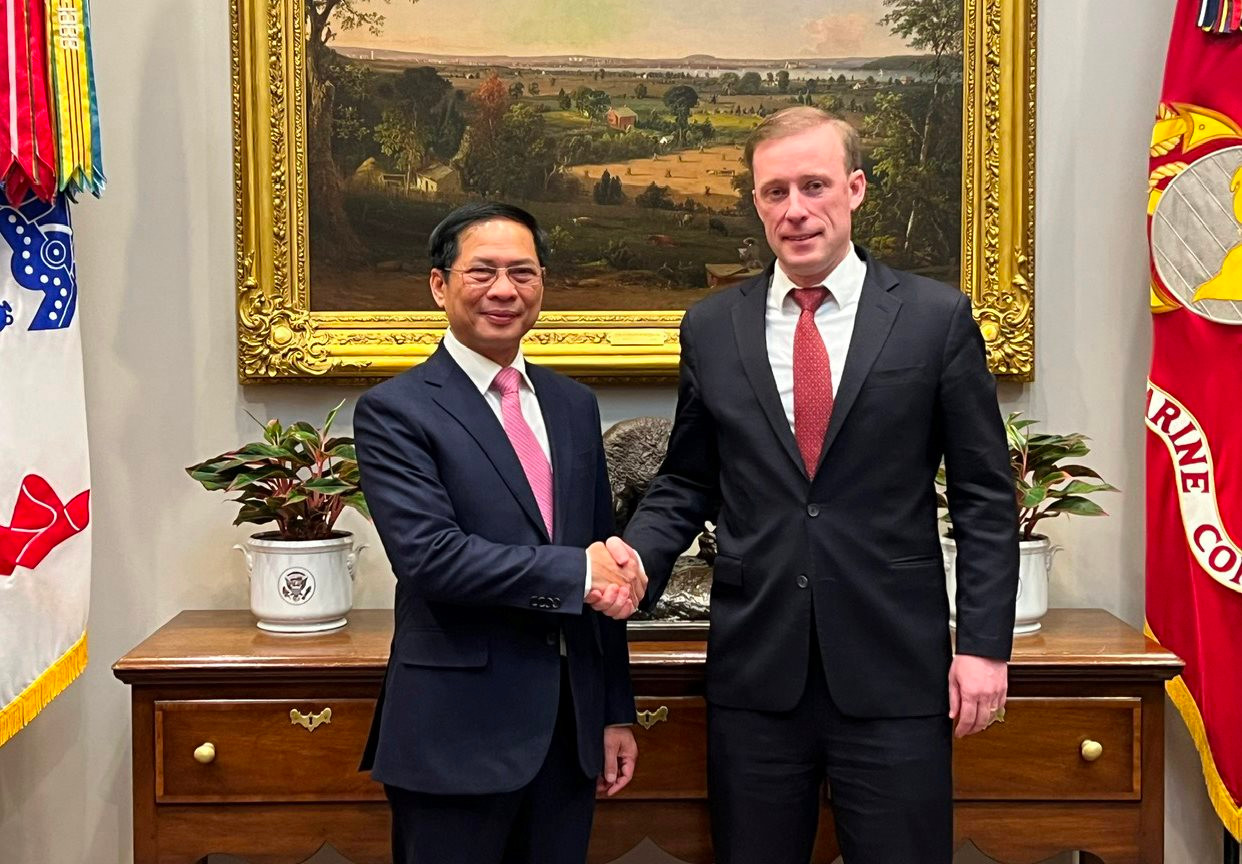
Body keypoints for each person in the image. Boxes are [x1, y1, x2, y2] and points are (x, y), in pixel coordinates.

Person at [614, 107, 1019, 863]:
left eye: (814, 185)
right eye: (775, 192)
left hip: (895, 668)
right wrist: (635, 559)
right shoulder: (711, 327)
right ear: (757, 202)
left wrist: (984, 648)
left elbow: (985, 497)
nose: (795, 209)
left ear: (855, 188)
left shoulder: (934, 319)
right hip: (756, 673)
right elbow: (688, 478)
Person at [354, 202, 644, 864]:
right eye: (482, 271)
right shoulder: (395, 411)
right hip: (454, 735)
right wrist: (578, 573)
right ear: (440, 285)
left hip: (569, 735)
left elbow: (602, 552)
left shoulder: (573, 405)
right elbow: (431, 558)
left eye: (523, 272)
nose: (504, 290)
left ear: (543, 284)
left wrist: (613, 711)